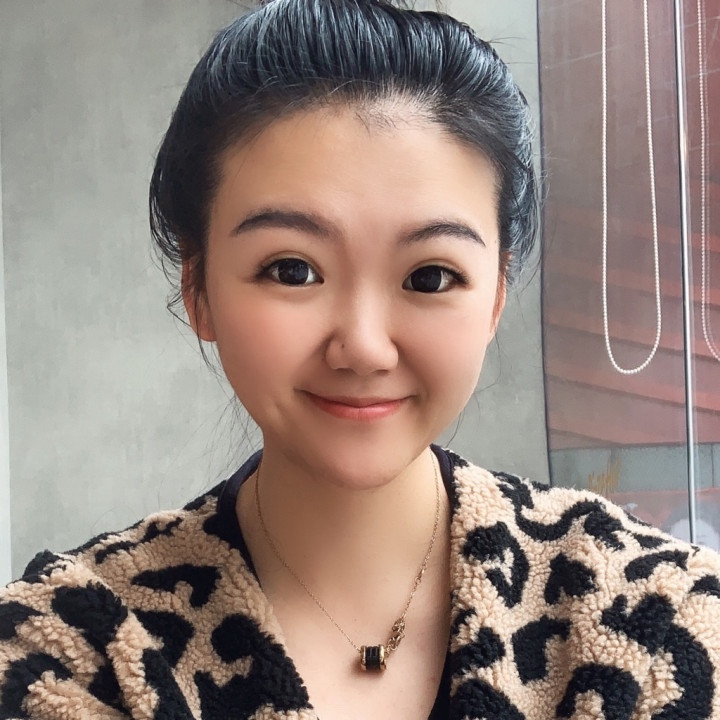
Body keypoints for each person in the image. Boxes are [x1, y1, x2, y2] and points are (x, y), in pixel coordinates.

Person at [1, 0, 719, 718]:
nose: (365, 348)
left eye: (430, 276)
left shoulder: (656, 614)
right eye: (292, 270)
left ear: (496, 296)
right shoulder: (76, 647)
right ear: (199, 289)